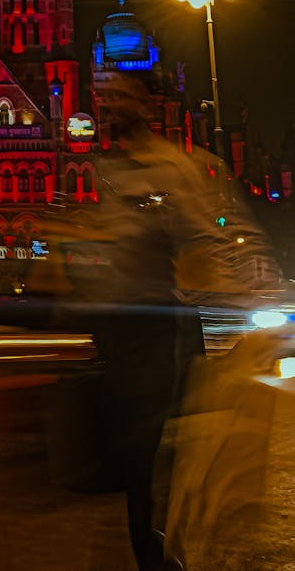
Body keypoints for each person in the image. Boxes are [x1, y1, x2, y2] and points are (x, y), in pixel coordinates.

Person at [65, 72, 282, 571]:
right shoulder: (104, 168)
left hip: (154, 326)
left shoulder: (170, 167)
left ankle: (159, 552)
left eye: (119, 97)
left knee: (151, 452)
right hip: (117, 328)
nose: (108, 105)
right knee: (135, 456)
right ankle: (153, 546)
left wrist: (247, 297)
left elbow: (210, 237)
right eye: (104, 98)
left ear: (144, 106)